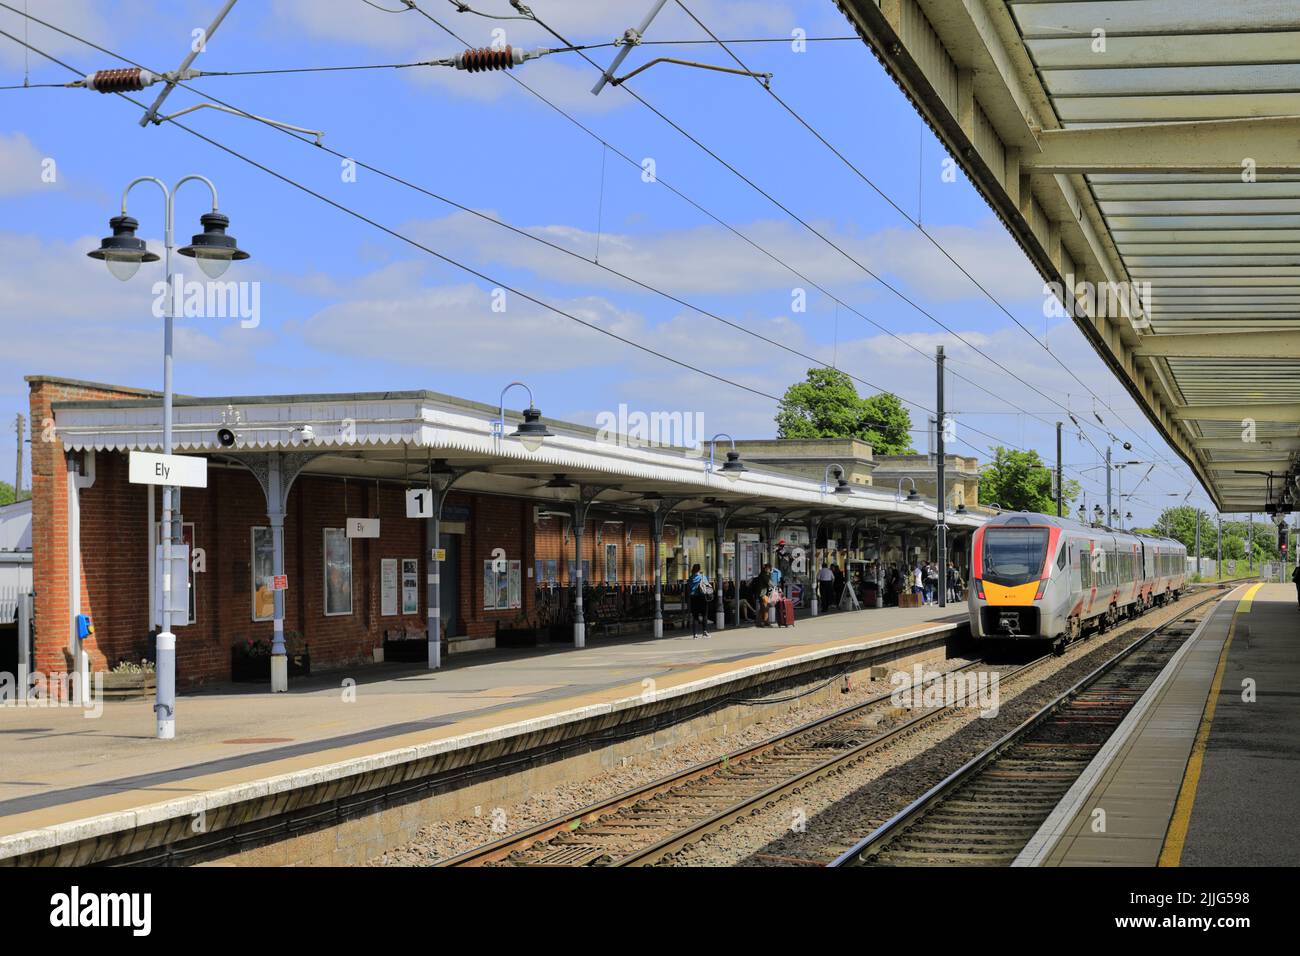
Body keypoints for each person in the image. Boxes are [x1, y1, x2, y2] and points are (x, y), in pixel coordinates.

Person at [687, 563, 712, 638]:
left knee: (695, 616)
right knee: (704, 615)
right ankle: (705, 632)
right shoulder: (702, 577)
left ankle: (695, 634)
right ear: (699, 569)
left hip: (693, 598)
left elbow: (688, 588)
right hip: (702, 598)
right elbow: (707, 586)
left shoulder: (690, 578)